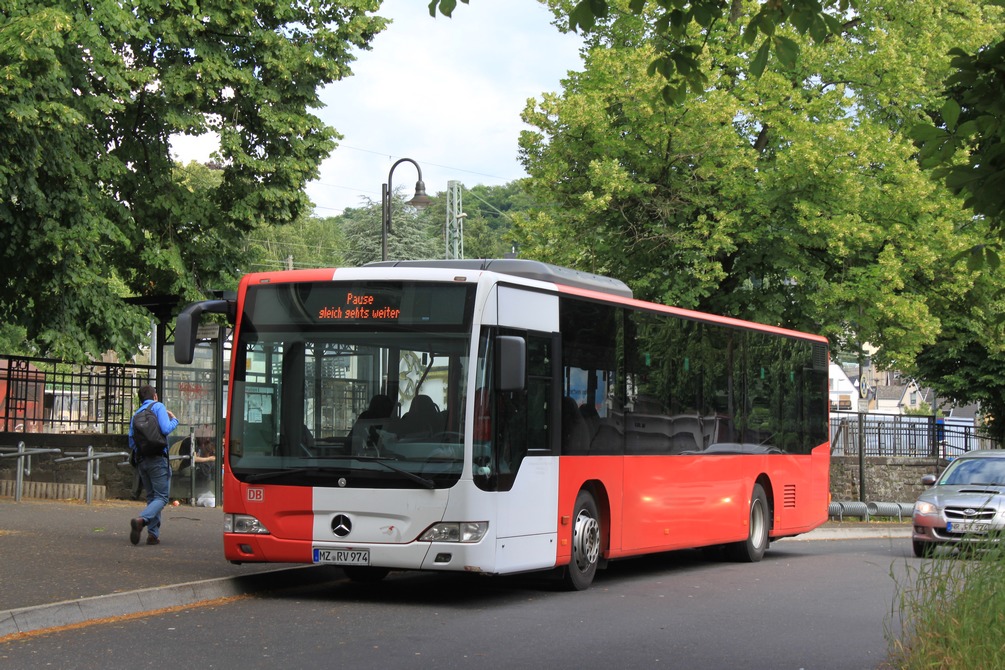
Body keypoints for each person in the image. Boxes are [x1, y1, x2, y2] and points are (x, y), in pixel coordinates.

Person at [128, 385, 179, 546]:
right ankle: (141, 519)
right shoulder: (158, 407)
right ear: (155, 396)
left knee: (152, 497)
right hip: (158, 459)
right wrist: (175, 420)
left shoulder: (136, 414)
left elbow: (131, 441)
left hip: (143, 460)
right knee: (162, 497)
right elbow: (165, 429)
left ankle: (153, 535)